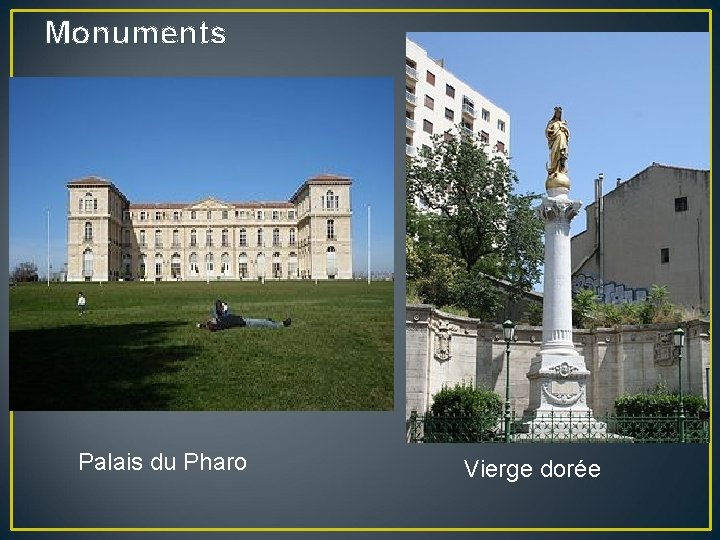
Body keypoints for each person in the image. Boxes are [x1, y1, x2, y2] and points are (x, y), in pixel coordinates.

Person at [545, 106, 570, 176]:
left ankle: (561, 169)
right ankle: (554, 169)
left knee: (561, 154)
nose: (558, 114)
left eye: (559, 113)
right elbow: (547, 131)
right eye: (557, 113)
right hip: (555, 141)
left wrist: (564, 130)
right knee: (555, 154)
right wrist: (553, 131)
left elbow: (567, 134)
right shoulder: (551, 122)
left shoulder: (562, 123)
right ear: (555, 114)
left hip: (562, 141)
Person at [197, 315, 291, 331]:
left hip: (243, 320)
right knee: (260, 322)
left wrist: (201, 325)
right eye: (211, 320)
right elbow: (211, 328)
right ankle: (281, 324)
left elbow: (208, 326)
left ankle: (268, 321)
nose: (212, 318)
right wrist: (204, 326)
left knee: (260, 321)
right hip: (244, 322)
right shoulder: (220, 324)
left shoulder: (220, 320)